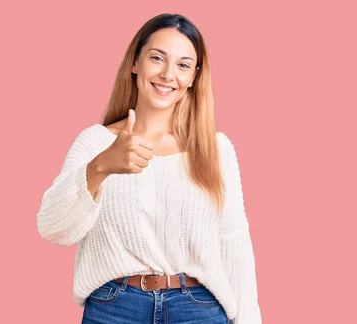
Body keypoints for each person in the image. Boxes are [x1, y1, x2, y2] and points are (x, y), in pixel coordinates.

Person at [36, 13, 261, 324]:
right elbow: (53, 229)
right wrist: (101, 167)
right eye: (157, 58)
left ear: (194, 77)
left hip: (198, 309)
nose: (168, 74)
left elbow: (234, 242)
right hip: (115, 308)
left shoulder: (215, 149)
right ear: (135, 63)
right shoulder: (95, 142)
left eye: (183, 65)